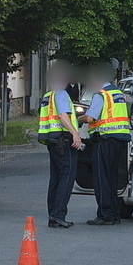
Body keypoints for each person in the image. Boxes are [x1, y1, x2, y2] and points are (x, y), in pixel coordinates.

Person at [79, 62, 130, 225]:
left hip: (105, 139)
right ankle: (114, 214)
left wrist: (75, 118)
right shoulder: (118, 93)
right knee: (112, 178)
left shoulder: (101, 94)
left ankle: (104, 215)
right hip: (120, 140)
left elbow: (90, 118)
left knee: (101, 178)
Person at [37, 63, 84, 228]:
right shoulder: (62, 94)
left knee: (56, 178)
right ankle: (58, 214)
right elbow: (63, 116)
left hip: (52, 141)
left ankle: (53, 215)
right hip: (64, 141)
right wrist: (75, 134)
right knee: (67, 176)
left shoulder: (47, 96)